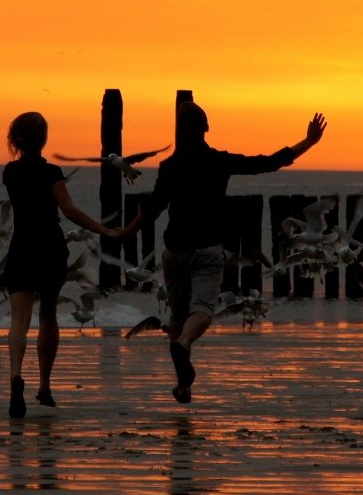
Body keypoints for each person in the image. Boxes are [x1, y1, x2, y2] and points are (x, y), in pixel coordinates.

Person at [117, 103, 326, 404]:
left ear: (179, 131)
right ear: (207, 128)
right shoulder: (219, 161)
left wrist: (123, 233)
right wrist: (308, 141)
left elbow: (153, 208)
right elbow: (267, 163)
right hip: (208, 249)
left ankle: (183, 386)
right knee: (202, 309)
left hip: (175, 250)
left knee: (177, 316)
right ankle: (185, 343)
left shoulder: (169, 167)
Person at [0, 111, 119, 418]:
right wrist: (102, 229)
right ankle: (44, 385)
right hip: (49, 249)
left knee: (19, 320)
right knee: (48, 316)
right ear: (45, 139)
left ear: (15, 139)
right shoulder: (52, 173)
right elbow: (69, 211)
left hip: (22, 247)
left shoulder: (9, 173)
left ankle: (15, 376)